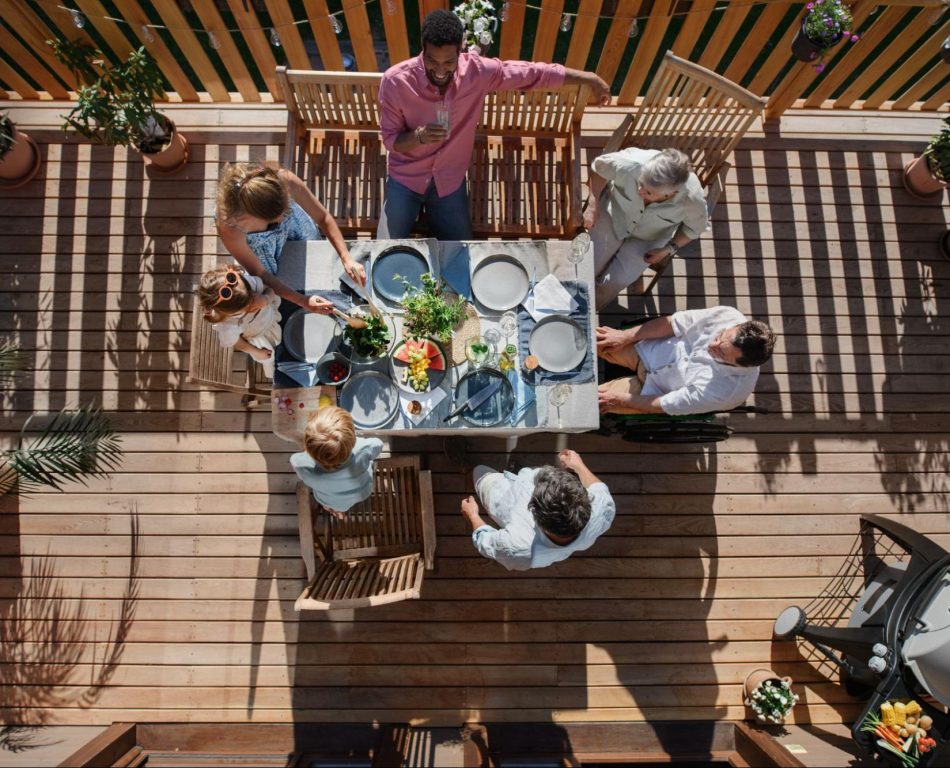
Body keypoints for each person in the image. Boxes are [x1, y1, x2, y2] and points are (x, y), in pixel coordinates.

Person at [377, 9, 611, 240]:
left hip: (449, 182)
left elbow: (532, 74)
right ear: (422, 47)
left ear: (461, 49)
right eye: (431, 60)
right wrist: (419, 137)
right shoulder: (395, 82)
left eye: (448, 62)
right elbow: (391, 141)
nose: (439, 70)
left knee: (461, 255)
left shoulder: (477, 72)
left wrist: (588, 78)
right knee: (383, 253)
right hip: (405, 180)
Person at [214, 162, 366, 315]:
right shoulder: (230, 228)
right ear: (250, 217)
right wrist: (302, 300)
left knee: (317, 267)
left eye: (286, 210)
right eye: (273, 221)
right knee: (285, 289)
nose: (281, 220)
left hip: (297, 229)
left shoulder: (284, 180)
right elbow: (260, 273)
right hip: (264, 254)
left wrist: (346, 257)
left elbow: (323, 217)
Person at [583, 147, 708, 309]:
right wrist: (593, 204)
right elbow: (598, 169)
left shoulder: (692, 198)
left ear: (671, 193)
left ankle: (587, 312)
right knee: (585, 266)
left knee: (614, 282)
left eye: (648, 191)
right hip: (614, 216)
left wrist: (667, 250)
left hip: (650, 238)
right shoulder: (631, 163)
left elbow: (694, 229)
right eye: (640, 183)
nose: (640, 191)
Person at [596, 306, 775, 416]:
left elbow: (664, 404)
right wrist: (624, 336)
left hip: (651, 392)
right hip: (649, 350)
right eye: (721, 335)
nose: (712, 344)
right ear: (736, 326)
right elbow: (673, 323)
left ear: (739, 365)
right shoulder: (727, 315)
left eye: (721, 352)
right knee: (587, 338)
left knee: (592, 401)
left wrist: (618, 400)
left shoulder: (726, 391)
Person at [459, 449, 615, 571]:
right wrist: (579, 466)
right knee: (525, 473)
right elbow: (599, 488)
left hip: (501, 498)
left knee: (480, 472)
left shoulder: (520, 548)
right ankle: (515, 473)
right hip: (518, 486)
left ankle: (467, 467)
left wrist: (472, 515)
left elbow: (485, 541)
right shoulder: (601, 510)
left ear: (536, 517)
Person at [290, 406, 384, 518]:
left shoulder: (304, 466)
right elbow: (378, 444)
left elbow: (294, 459)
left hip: (329, 498)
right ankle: (338, 510)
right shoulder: (363, 448)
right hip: (361, 492)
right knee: (368, 466)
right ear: (353, 438)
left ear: (308, 448)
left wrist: (308, 453)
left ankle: (336, 510)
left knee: (330, 503)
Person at [197, 264, 282, 378]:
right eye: (245, 309)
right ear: (227, 314)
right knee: (268, 357)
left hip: (269, 315)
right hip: (260, 334)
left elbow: (269, 289)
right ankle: (271, 371)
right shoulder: (227, 323)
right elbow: (238, 343)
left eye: (252, 297)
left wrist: (265, 299)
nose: (251, 306)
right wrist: (257, 352)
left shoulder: (245, 283)